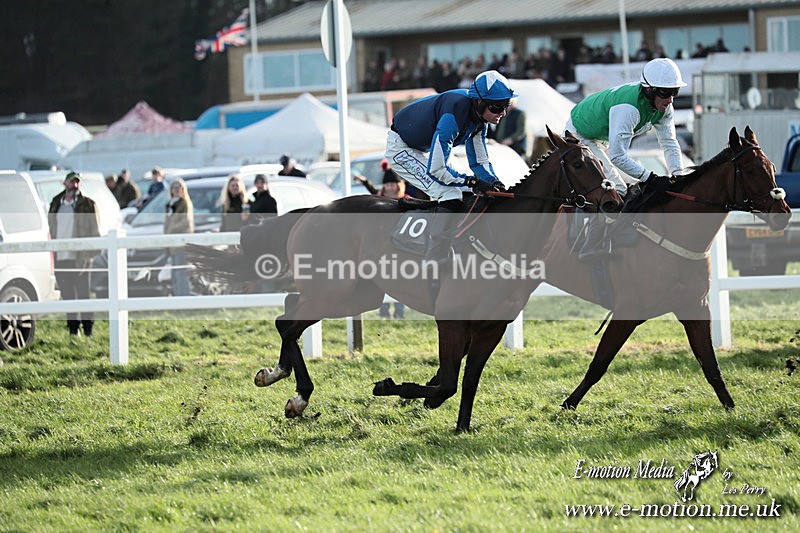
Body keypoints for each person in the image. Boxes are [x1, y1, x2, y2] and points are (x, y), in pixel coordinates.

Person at [565, 57, 687, 262]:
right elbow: (618, 156)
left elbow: (669, 143)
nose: (670, 100)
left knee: (632, 188)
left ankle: (611, 236)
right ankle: (588, 245)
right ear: (649, 90)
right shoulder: (629, 108)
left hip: (600, 136)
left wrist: (679, 176)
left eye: (675, 92)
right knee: (617, 189)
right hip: (579, 134)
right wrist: (651, 177)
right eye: (666, 93)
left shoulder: (665, 108)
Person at [386, 69, 514, 262]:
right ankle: (434, 254)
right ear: (479, 102)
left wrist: (494, 183)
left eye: (506, 106)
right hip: (401, 148)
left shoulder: (480, 120)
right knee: (449, 193)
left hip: (426, 147)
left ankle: (462, 244)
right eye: (497, 107)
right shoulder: (453, 114)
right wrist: (472, 181)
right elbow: (437, 170)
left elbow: (479, 162)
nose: (502, 113)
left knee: (470, 192)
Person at [47, 171, 100, 336]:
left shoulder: (88, 204)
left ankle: (88, 330)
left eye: (77, 182)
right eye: (72, 182)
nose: (75, 185)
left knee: (84, 294)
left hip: (80, 258)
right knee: (67, 295)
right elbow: (51, 228)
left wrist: (91, 254)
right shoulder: (56, 203)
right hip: (60, 257)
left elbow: (95, 230)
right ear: (65, 184)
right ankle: (73, 330)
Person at [376, 161, 408, 319]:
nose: (389, 187)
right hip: (382, 245)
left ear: (398, 185)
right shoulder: (378, 201)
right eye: (387, 184)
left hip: (402, 245)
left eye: (392, 184)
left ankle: (399, 311)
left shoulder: (407, 200)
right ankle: (384, 311)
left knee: (400, 280)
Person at [163, 178, 194, 296]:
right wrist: (166, 236)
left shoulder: (185, 203)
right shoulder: (169, 204)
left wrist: (171, 229)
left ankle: (184, 299)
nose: (176, 190)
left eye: (179, 187)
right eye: (174, 188)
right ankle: (177, 298)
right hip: (171, 244)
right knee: (174, 274)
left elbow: (185, 222)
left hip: (181, 243)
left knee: (181, 273)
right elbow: (166, 222)